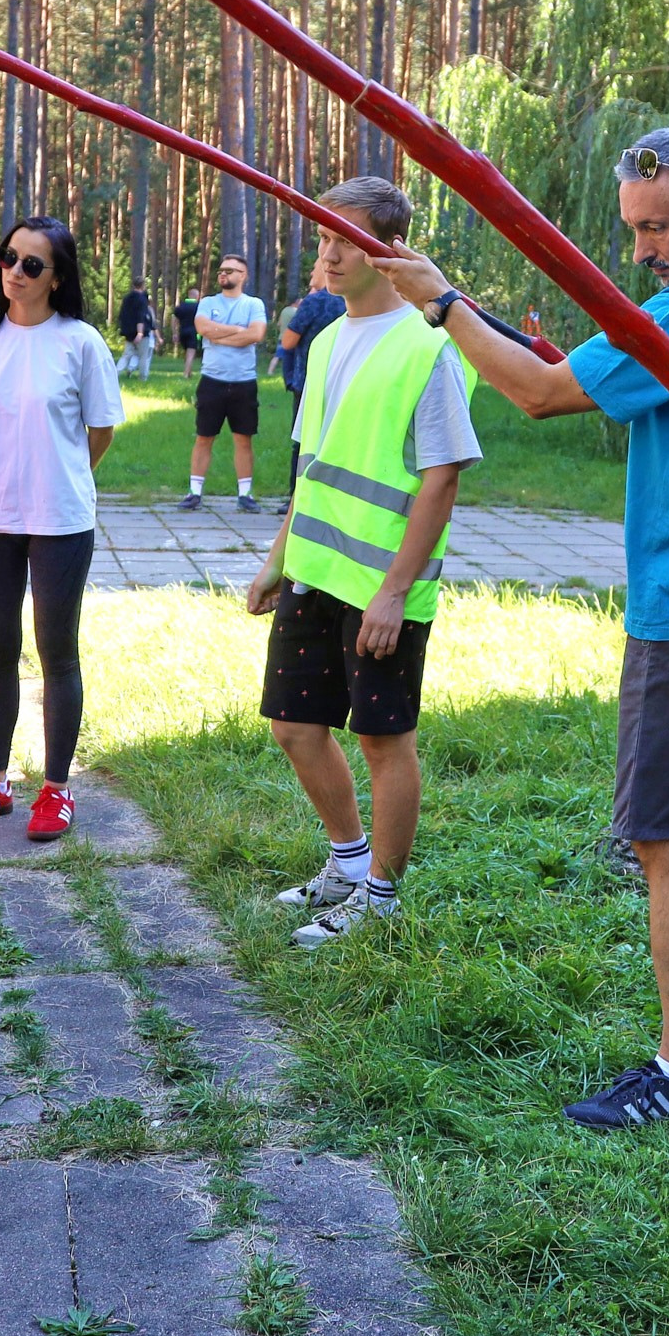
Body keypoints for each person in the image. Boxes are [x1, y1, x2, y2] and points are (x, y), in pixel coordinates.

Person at [370, 126, 669, 1129]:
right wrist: (484, 318)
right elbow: (597, 371)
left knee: (665, 837)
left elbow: (538, 395)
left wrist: (442, 303)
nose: (640, 253)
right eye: (631, 231)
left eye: (658, 228)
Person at [247, 178, 478, 949]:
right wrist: (277, 557)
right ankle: (347, 863)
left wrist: (394, 592)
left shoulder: (431, 347)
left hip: (384, 588)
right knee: (293, 726)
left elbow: (441, 478)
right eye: (322, 238)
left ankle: (380, 897)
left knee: (385, 741)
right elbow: (312, 464)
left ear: (392, 252)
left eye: (348, 239)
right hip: (316, 573)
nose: (331, 253)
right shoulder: (323, 340)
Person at [0, 217, 121, 842]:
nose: (14, 271)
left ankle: (57, 789)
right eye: (8, 257)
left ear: (58, 278)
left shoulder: (81, 343)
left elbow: (99, 430)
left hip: (60, 521)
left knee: (56, 651)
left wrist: (62, 476)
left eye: (32, 264)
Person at [183, 254, 268, 512]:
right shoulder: (208, 302)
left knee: (243, 439)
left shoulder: (253, 304)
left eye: (231, 270)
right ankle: (194, 492)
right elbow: (202, 328)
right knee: (203, 437)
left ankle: (245, 494)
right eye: (222, 270)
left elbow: (257, 334)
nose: (224, 274)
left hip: (243, 382)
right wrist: (240, 332)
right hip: (212, 381)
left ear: (243, 276)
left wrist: (220, 335)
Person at [277, 263, 347, 501]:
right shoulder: (352, 302)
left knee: (304, 442)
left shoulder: (315, 301)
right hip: (344, 381)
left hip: (309, 381)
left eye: (314, 268)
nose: (310, 274)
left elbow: (287, 341)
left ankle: (298, 496)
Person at [114, 285, 159, 380]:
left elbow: (122, 316)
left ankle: (115, 373)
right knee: (143, 356)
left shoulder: (127, 300)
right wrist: (140, 332)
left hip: (129, 332)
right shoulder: (143, 303)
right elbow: (141, 319)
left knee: (126, 355)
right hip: (141, 334)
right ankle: (143, 377)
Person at [173, 288, 203, 376]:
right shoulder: (199, 307)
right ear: (197, 296)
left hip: (182, 331)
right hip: (193, 332)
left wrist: (175, 333)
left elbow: (174, 319)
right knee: (191, 353)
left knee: (187, 352)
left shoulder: (180, 306)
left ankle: (189, 372)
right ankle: (186, 374)